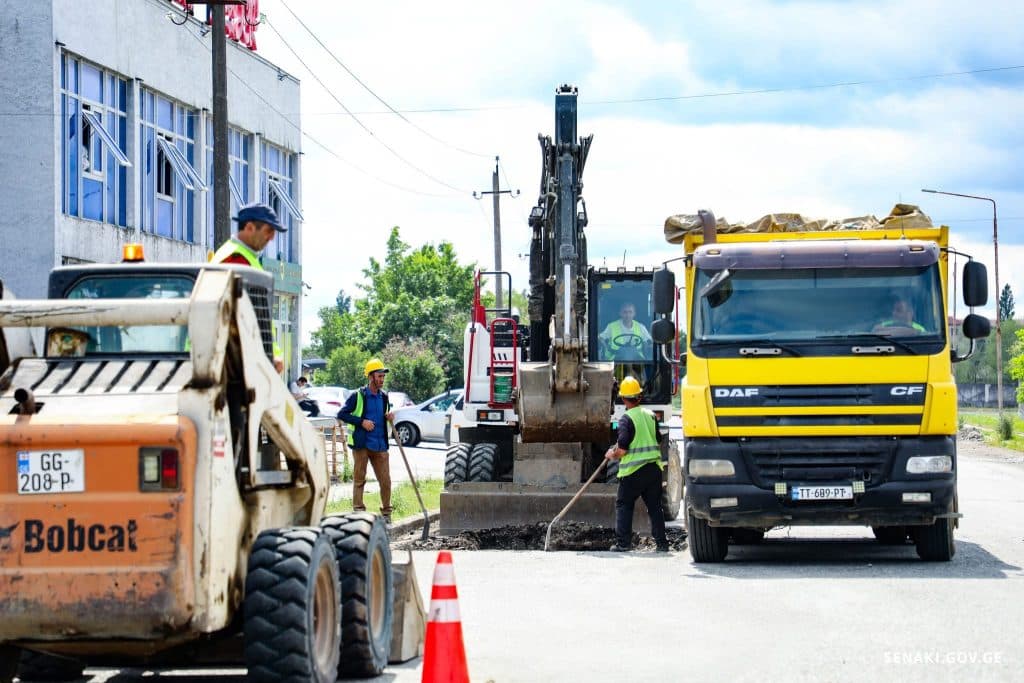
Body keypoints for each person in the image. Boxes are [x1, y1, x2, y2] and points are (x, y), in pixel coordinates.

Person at [211, 202, 287, 373]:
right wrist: (268, 356)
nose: (272, 237)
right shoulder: (236, 259)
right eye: (268, 231)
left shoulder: (244, 257)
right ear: (250, 227)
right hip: (232, 362)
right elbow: (246, 316)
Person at [605, 376, 669, 553]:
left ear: (624, 399)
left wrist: (612, 454)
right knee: (655, 507)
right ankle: (662, 544)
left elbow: (623, 450)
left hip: (633, 472)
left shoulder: (626, 419)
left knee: (624, 504)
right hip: (653, 470)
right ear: (639, 397)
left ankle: (623, 544)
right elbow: (656, 438)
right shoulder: (649, 415)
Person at [337, 358, 394, 523]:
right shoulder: (358, 396)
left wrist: (389, 416)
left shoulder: (384, 397)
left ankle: (386, 514)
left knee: (386, 481)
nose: (382, 379)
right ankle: (359, 512)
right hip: (362, 445)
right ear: (370, 377)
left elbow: (385, 414)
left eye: (383, 376)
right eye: (379, 376)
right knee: (360, 479)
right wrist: (362, 422)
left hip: (380, 445)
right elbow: (342, 414)